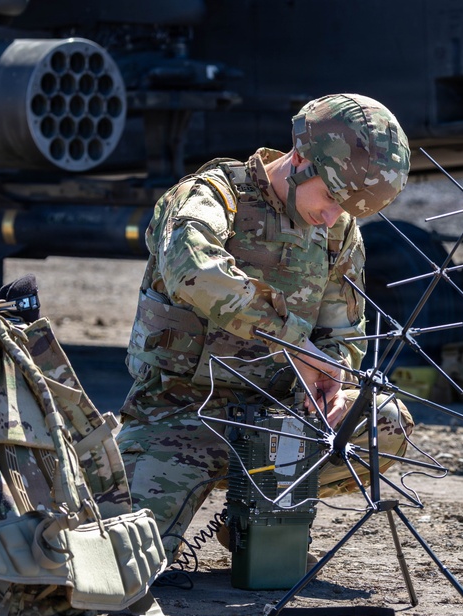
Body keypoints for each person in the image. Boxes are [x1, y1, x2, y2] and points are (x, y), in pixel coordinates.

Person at [115, 93, 414, 560]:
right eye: (331, 198)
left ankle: (250, 515)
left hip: (278, 423)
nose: (332, 216)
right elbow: (192, 269)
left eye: (347, 209)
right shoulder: (213, 195)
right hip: (178, 416)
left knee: (385, 422)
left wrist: (333, 382)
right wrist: (292, 343)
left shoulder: (338, 230)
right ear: (300, 160)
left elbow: (342, 332)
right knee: (127, 560)